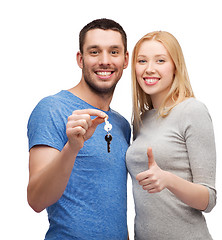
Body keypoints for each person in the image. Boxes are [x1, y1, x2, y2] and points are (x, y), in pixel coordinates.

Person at [27, 18, 130, 240]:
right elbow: (36, 200)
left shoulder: (123, 125)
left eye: (114, 52)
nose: (105, 61)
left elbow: (114, 210)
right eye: (94, 52)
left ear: (125, 60)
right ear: (80, 59)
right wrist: (72, 148)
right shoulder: (52, 108)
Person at [126, 31, 217, 239]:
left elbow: (208, 199)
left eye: (160, 60)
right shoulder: (141, 120)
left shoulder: (193, 111)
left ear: (175, 66)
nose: (149, 69)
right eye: (142, 61)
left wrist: (168, 180)